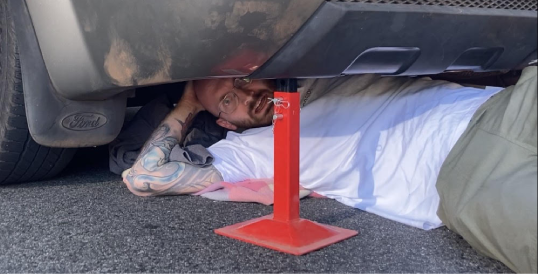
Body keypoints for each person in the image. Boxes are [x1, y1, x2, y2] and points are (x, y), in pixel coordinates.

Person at [120, 68, 537, 273]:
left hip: (505, 105)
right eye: (228, 100)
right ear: (224, 123)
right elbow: (144, 177)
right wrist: (187, 106)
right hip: (470, 169)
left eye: (243, 80)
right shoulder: (248, 150)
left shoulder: (327, 68)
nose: (248, 94)